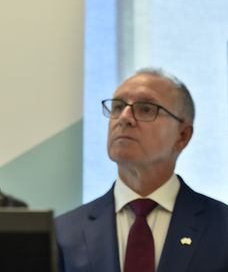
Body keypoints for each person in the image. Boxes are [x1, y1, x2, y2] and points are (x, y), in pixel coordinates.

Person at [54, 68, 228, 272]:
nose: (124, 118)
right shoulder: (63, 233)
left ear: (182, 136)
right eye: (118, 107)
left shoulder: (221, 227)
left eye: (146, 108)